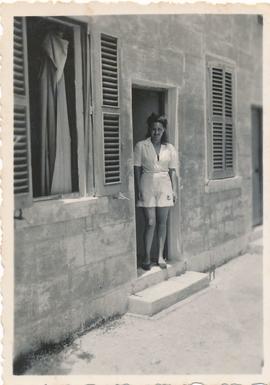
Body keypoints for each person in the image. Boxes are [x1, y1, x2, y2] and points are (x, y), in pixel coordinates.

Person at [134, 113, 178, 270]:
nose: (156, 132)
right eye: (154, 129)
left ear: (164, 130)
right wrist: (138, 188)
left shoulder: (170, 148)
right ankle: (146, 256)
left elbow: (173, 171)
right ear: (149, 129)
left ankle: (160, 256)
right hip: (147, 183)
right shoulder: (141, 146)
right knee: (150, 222)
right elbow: (137, 169)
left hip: (165, 184)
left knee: (162, 223)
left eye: (159, 129)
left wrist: (174, 190)